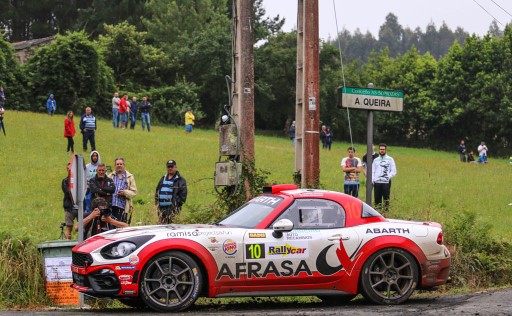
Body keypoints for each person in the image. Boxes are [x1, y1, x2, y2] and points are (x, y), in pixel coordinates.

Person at [155, 160, 188, 224]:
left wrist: (175, 206)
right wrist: (157, 205)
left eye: (171, 167)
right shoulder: (163, 178)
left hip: (173, 210)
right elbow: (157, 191)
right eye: (168, 167)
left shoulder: (181, 180)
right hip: (161, 210)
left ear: (175, 167)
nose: (170, 168)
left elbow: (183, 196)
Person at [109, 158, 137, 223]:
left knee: (121, 228)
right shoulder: (110, 176)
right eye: (117, 164)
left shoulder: (130, 177)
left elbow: (134, 192)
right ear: (115, 166)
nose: (119, 165)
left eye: (121, 164)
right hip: (111, 207)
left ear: (124, 165)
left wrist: (125, 192)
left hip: (123, 208)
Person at [372, 143, 397, 213]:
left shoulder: (390, 159)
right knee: (377, 199)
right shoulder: (376, 160)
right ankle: (377, 213)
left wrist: (387, 177)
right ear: (379, 150)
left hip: (386, 182)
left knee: (386, 199)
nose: (382, 151)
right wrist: (373, 179)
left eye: (383, 149)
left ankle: (386, 213)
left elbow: (394, 171)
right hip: (377, 182)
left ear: (386, 150)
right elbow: (373, 171)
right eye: (380, 149)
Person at [62, 164, 78, 240]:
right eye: (69, 169)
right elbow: (67, 192)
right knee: (69, 226)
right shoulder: (65, 181)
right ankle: (67, 242)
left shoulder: (79, 180)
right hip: (69, 207)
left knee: (82, 227)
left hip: (80, 206)